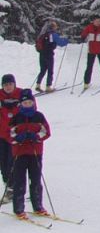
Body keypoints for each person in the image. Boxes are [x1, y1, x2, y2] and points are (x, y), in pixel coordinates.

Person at [8, 89, 51, 219]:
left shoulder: (39, 116)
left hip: (35, 152)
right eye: (25, 103)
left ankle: (38, 206)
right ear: (21, 104)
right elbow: (9, 134)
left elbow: (46, 132)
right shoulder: (16, 118)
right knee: (19, 181)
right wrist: (18, 138)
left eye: (29, 102)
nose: (27, 104)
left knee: (36, 179)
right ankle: (19, 209)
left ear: (33, 103)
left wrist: (36, 136)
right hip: (20, 153)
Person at [0, 74, 20, 203]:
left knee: (11, 163)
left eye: (10, 84)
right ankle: (8, 184)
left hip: (15, 136)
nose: (8, 87)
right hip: (1, 135)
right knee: (2, 163)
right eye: (5, 85)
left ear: (14, 84)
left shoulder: (21, 94)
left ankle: (12, 188)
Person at [34, 20, 68, 92]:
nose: (56, 28)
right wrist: (66, 40)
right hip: (49, 54)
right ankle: (48, 86)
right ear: (52, 27)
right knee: (50, 70)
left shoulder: (42, 34)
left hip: (42, 54)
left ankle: (38, 84)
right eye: (55, 26)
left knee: (43, 70)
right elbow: (61, 43)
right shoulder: (53, 35)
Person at [80, 15, 100, 88]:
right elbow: (84, 34)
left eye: (99, 21)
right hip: (91, 50)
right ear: (93, 21)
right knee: (89, 66)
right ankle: (86, 82)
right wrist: (83, 37)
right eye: (97, 21)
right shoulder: (89, 27)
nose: (98, 23)